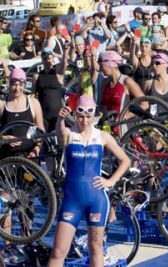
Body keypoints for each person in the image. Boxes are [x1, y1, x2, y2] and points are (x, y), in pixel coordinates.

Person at [47, 95, 130, 267]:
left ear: (94, 116)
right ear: (75, 115)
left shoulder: (103, 137)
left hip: (96, 200)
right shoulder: (70, 134)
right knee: (58, 251)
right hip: (72, 201)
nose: (84, 121)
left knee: (95, 248)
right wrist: (60, 120)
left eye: (88, 117)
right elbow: (60, 136)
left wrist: (111, 181)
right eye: (81, 116)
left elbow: (126, 160)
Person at [0, 68, 44, 159]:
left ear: (25, 84)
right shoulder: (2, 104)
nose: (17, 88)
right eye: (14, 84)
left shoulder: (33, 103)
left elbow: (40, 130)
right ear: (9, 84)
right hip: (7, 160)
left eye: (21, 84)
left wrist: (37, 148)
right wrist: (4, 138)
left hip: (29, 157)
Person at [32, 46, 69, 132]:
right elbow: (32, 96)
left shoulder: (58, 73)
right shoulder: (36, 76)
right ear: (42, 59)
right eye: (45, 59)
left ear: (53, 59)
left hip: (58, 115)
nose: (47, 61)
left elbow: (64, 63)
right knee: (43, 140)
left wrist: (65, 51)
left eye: (49, 58)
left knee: (59, 141)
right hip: (43, 115)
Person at [99, 51, 144, 115]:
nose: (100, 68)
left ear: (110, 65)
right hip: (108, 124)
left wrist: (125, 117)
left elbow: (144, 104)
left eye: (101, 65)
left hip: (123, 124)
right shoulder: (105, 82)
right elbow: (102, 105)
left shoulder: (127, 81)